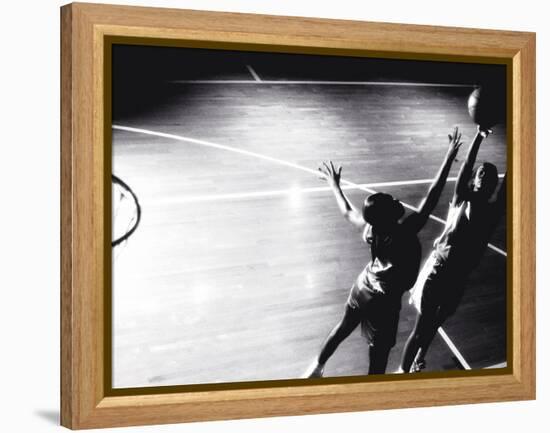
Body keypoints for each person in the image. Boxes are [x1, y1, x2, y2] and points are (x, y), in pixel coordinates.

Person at [303, 128, 464, 378]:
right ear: (389, 216)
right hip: (384, 304)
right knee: (377, 361)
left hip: (363, 286)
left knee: (344, 327)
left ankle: (316, 368)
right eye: (391, 201)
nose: (395, 199)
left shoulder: (371, 229)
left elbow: (348, 212)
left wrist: (335, 185)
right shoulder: (405, 232)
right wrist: (448, 156)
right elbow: (433, 195)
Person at [399, 126, 507, 374]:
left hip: (458, 277)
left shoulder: (491, 213)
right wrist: (478, 138)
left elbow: (507, 186)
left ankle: (419, 358)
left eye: (490, 176)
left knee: (436, 322)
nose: (484, 176)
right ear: (474, 178)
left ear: (493, 185)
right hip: (439, 269)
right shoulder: (462, 198)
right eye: (481, 173)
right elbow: (467, 165)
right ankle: (401, 376)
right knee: (421, 328)